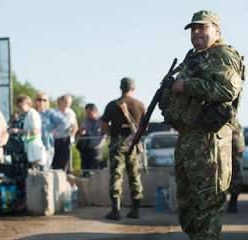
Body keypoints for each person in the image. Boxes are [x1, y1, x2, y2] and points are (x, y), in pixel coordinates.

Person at [159, 10, 244, 240]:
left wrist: (184, 86)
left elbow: (228, 89)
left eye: (202, 27)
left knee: (207, 207)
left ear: (217, 30)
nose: (196, 32)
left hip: (209, 142)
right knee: (188, 207)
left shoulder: (222, 54)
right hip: (188, 139)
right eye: (193, 28)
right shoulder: (194, 58)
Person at [101, 77, 145, 220]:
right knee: (134, 175)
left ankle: (115, 211)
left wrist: (111, 136)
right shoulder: (140, 105)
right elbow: (145, 127)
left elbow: (104, 125)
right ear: (133, 88)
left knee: (116, 175)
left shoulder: (112, 105)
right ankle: (136, 211)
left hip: (117, 142)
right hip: (134, 142)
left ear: (121, 88)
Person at [34, 92, 70, 169]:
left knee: (44, 170)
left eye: (44, 100)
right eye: (39, 99)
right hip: (33, 146)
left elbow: (66, 123)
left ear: (47, 102)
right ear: (35, 101)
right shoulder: (32, 113)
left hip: (46, 146)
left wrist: (54, 132)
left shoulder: (50, 112)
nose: (41, 102)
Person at [15, 95, 46, 170]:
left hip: (35, 146)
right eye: (18, 106)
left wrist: (18, 131)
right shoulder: (28, 114)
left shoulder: (32, 113)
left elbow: (35, 131)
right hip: (31, 146)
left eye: (21, 105)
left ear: (27, 104)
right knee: (33, 171)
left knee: (37, 172)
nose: (20, 108)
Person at [6, 112, 29, 203]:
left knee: (23, 175)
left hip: (21, 150)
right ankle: (14, 200)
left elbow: (28, 131)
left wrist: (18, 131)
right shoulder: (10, 123)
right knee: (13, 174)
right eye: (13, 118)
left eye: (16, 117)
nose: (14, 119)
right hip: (12, 151)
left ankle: (23, 199)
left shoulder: (24, 122)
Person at [52, 94, 78, 171]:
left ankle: (62, 178)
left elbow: (75, 127)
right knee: (55, 161)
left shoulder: (71, 113)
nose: (68, 104)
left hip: (66, 139)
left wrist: (72, 137)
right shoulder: (54, 112)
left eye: (69, 103)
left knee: (64, 162)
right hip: (55, 139)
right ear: (61, 101)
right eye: (66, 102)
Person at [78, 103, 105, 177]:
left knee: (95, 170)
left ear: (94, 111)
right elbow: (82, 132)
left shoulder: (102, 120)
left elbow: (106, 132)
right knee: (85, 170)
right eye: (86, 113)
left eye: (88, 113)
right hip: (86, 148)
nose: (87, 114)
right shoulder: (86, 120)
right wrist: (82, 131)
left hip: (96, 149)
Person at [228, 118, 245, 213]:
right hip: (235, 148)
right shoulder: (235, 122)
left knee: (236, 177)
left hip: (234, 149)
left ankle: (232, 203)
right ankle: (232, 203)